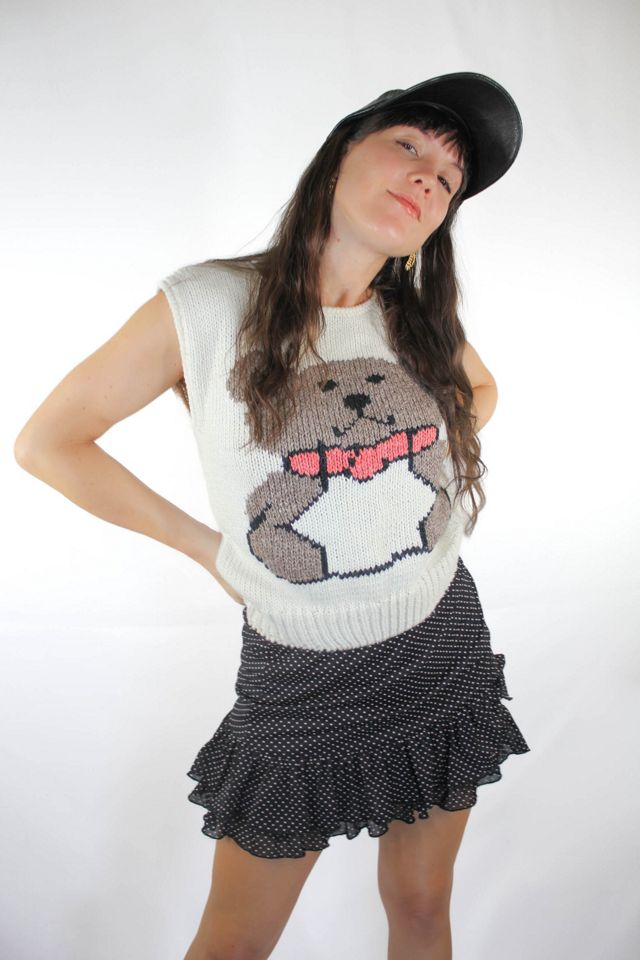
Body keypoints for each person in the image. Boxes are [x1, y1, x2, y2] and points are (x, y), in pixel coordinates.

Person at [15, 72, 531, 960]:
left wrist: (418, 454)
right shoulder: (207, 305)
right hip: (301, 671)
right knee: (234, 944)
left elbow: (481, 389)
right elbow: (49, 444)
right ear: (341, 153)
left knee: (421, 903)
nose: (428, 177)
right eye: (409, 145)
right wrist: (208, 550)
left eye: (449, 180)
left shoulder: (414, 318)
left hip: (438, 634)